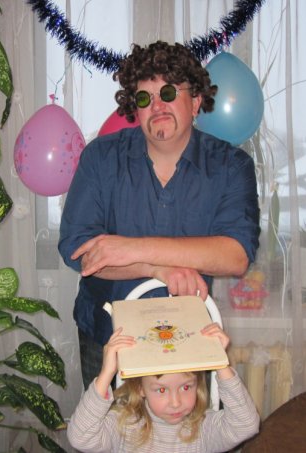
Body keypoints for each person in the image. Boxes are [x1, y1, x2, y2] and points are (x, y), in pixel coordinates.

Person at [58, 40, 260, 389]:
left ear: (195, 102)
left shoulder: (231, 166)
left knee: (186, 427)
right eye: (144, 98)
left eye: (168, 92)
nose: (156, 106)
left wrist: (131, 248)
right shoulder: (101, 158)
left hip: (190, 337)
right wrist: (158, 269)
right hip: (109, 337)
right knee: (105, 426)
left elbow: (236, 255)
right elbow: (81, 253)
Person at [66, 323, 260, 452]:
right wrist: (106, 373)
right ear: (140, 388)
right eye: (161, 390)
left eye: (186, 387)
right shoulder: (125, 425)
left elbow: (246, 425)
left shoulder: (203, 429)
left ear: (197, 383)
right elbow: (79, 437)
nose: (176, 403)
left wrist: (220, 363)